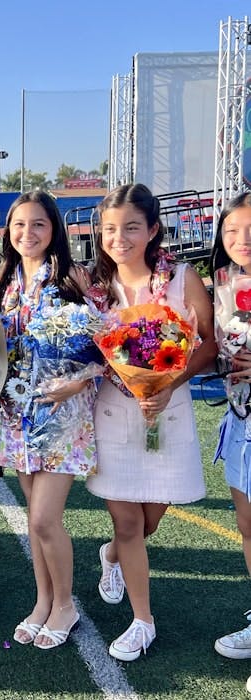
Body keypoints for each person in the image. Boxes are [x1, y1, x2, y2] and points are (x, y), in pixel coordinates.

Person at [86, 183, 216, 661]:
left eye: (132, 228)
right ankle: (143, 621)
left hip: (169, 411)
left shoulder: (183, 279)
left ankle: (113, 556)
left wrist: (168, 386)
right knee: (125, 520)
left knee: (150, 519)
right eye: (111, 229)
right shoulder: (96, 290)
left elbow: (208, 345)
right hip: (114, 413)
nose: (120, 238)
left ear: (153, 229)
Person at [0, 191, 96, 648]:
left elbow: (107, 343)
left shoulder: (72, 277)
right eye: (19, 225)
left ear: (54, 229)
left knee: (42, 520)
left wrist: (78, 382)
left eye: (38, 224)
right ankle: (43, 600)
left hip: (60, 415)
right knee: (34, 515)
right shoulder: (4, 279)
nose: (28, 234)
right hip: (15, 412)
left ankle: (66, 604)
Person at [209, 193, 251, 671]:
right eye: (231, 232)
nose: (241, 242)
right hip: (240, 422)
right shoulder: (225, 286)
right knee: (247, 527)